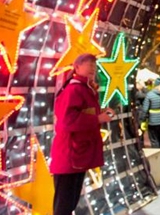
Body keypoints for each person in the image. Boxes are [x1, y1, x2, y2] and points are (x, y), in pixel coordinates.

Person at [50, 53, 114, 215]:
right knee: (64, 204)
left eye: (94, 64)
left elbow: (85, 112)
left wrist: (102, 113)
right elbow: (67, 121)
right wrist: (98, 117)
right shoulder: (74, 89)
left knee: (70, 201)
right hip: (70, 156)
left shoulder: (85, 89)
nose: (92, 67)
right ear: (76, 67)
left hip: (77, 156)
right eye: (88, 64)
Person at [141, 77, 160, 148]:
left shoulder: (150, 95)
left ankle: (157, 157)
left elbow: (145, 109)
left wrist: (143, 120)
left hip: (152, 122)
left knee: (154, 141)